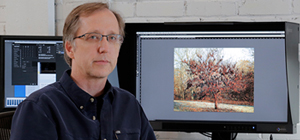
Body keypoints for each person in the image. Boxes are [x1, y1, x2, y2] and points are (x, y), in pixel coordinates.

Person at [10, 2, 156, 140]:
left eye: (112, 38)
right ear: (69, 48)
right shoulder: (40, 108)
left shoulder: (129, 105)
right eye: (93, 37)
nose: (104, 48)